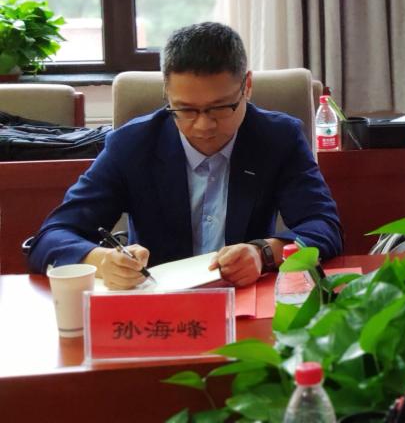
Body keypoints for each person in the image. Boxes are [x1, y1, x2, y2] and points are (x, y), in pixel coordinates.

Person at [28, 22, 342, 289]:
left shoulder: (278, 138)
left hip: (246, 299)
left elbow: (323, 226)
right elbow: (50, 237)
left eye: (220, 107)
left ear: (247, 86)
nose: (204, 125)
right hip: (160, 304)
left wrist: (263, 253)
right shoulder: (132, 145)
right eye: (186, 109)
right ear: (167, 93)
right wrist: (102, 260)